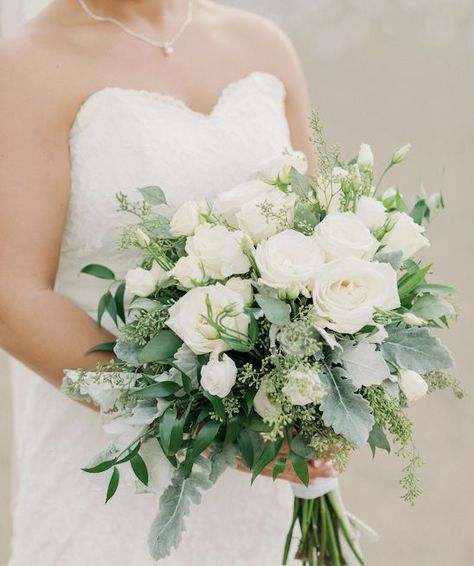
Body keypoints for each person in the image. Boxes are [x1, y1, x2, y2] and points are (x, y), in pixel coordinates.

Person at [0, 1, 337, 564]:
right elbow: (13, 297)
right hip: (114, 466)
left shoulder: (262, 43)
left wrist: (334, 381)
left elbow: (321, 237)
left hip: (276, 465)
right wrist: (208, 426)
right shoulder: (28, 65)